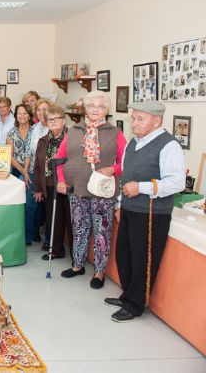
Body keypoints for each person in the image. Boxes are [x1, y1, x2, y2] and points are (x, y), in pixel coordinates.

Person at [106, 101, 185, 323]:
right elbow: (125, 177)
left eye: (140, 119)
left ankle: (135, 304)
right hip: (131, 209)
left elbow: (177, 182)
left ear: (157, 121)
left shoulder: (169, 146)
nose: (135, 123)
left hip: (152, 213)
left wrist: (141, 188)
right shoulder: (134, 142)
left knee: (143, 259)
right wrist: (120, 204)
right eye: (134, 118)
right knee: (125, 254)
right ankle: (128, 295)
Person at [56, 91, 126, 289]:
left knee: (102, 232)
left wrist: (112, 169)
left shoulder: (115, 133)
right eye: (92, 105)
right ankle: (77, 265)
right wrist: (61, 180)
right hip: (77, 190)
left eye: (100, 106)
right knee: (79, 230)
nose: (96, 109)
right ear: (85, 108)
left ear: (107, 110)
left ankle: (99, 271)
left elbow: (125, 162)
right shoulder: (73, 131)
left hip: (103, 192)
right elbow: (59, 159)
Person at [33, 106, 71, 259]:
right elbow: (37, 166)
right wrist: (37, 188)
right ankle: (56, 250)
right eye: (50, 119)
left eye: (57, 118)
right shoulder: (43, 141)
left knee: (71, 220)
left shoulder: (72, 138)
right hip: (49, 184)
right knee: (53, 218)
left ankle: (77, 257)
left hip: (68, 185)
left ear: (64, 119)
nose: (54, 122)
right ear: (46, 122)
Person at [6, 104, 36, 244]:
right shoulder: (11, 133)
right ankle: (16, 234)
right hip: (17, 170)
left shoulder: (36, 131)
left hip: (33, 171)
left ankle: (28, 236)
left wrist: (27, 172)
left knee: (30, 205)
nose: (22, 116)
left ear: (29, 115)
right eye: (19, 113)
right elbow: (9, 156)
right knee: (17, 204)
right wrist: (23, 171)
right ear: (15, 116)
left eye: (25, 113)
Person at [28, 98, 53, 243]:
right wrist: (26, 172)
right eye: (39, 109)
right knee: (33, 205)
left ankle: (50, 241)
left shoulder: (55, 127)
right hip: (34, 172)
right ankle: (34, 232)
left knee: (48, 209)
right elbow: (29, 153)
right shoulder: (34, 128)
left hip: (50, 174)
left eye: (44, 109)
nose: (42, 112)